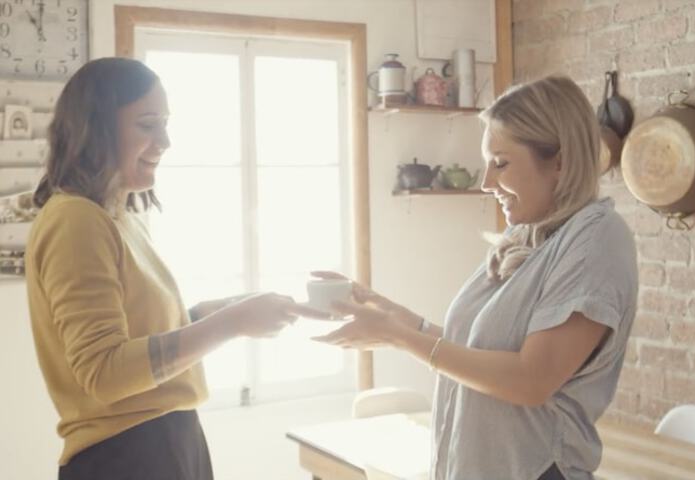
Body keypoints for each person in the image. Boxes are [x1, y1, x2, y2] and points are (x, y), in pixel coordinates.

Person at [309, 76, 638, 480]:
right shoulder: (526, 236)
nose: (486, 183)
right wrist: (393, 317)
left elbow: (530, 380)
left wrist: (402, 337)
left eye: (501, 163)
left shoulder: (596, 239)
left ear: (560, 162)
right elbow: (474, 349)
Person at [24, 57, 310, 480]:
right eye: (147, 125)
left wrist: (213, 312)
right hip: (127, 457)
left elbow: (135, 340)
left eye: (166, 124)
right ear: (97, 128)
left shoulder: (118, 218)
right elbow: (104, 372)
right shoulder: (76, 220)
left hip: (166, 444)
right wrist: (232, 323)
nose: (165, 141)